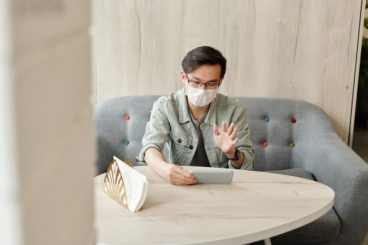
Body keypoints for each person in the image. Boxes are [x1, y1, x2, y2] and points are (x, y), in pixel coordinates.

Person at [138, 46, 255, 185]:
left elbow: (247, 166)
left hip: (220, 186)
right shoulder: (165, 106)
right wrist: (165, 169)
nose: (202, 89)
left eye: (211, 83)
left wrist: (232, 153)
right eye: (196, 81)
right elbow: (150, 147)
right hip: (180, 181)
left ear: (220, 80)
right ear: (183, 77)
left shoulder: (234, 109)